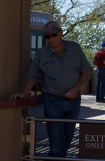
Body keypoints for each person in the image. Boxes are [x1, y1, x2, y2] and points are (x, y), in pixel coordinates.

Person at [10, 21, 91, 158]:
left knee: (67, 139)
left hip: (73, 101)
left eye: (53, 35)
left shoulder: (74, 48)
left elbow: (86, 71)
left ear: (60, 33)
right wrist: (24, 93)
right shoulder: (42, 54)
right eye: (47, 36)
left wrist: (76, 90)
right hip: (52, 101)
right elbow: (33, 75)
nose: (50, 38)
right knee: (56, 141)